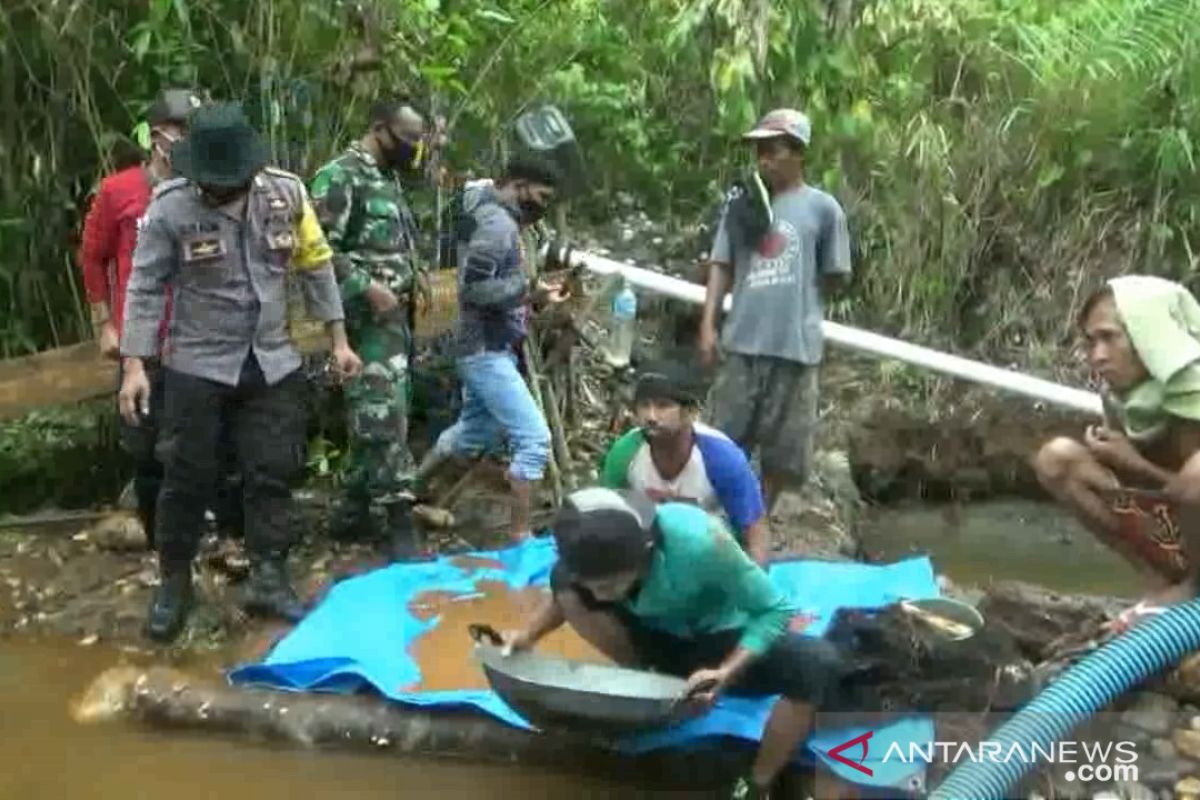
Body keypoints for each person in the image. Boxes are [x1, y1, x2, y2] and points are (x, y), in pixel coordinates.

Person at [119, 103, 361, 642]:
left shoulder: (287, 194)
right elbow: (144, 285)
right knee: (185, 477)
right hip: (197, 364)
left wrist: (338, 340)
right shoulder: (170, 208)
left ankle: (270, 576)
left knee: (272, 470)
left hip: (272, 359)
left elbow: (316, 265)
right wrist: (134, 366)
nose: (220, 189)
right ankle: (175, 582)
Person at [503, 487, 845, 799]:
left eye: (606, 586)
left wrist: (724, 672)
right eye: (590, 583)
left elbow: (774, 609)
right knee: (564, 586)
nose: (596, 594)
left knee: (816, 663)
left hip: (715, 639)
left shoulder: (702, 541)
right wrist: (528, 636)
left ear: (645, 554)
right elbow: (567, 592)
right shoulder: (590, 550)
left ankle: (758, 783)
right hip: (652, 638)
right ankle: (648, 686)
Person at [78, 87, 231, 547]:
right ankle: (159, 540)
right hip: (141, 345)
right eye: (180, 131)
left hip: (197, 339)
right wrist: (105, 323)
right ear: (157, 135)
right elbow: (92, 258)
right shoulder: (117, 190)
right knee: (145, 448)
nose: (187, 140)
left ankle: (210, 532)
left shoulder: (210, 188)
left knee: (203, 441)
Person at [698, 108, 852, 515]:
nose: (763, 159)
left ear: (797, 152)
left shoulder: (823, 209)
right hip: (743, 343)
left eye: (773, 149)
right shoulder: (743, 203)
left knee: (785, 451)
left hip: (795, 348)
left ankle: (758, 519)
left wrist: (801, 303)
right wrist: (708, 324)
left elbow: (835, 274)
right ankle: (721, 515)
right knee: (724, 439)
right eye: (759, 151)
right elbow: (722, 264)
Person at [1033, 276, 1200, 631]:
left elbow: (1191, 488)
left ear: (1149, 336)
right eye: (1091, 342)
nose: (1098, 356)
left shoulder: (1193, 388)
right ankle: (1159, 581)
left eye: (1110, 338)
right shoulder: (1126, 397)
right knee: (1057, 458)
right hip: (1179, 531)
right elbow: (1157, 492)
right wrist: (1120, 463)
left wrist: (1132, 462)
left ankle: (1192, 590)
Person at [416, 156, 564, 542]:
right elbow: (473, 288)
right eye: (541, 196)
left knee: (473, 429)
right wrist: (527, 290)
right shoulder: (497, 225)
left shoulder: (475, 201)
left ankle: (406, 491)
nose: (543, 205)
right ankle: (520, 535)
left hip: (472, 341)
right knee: (534, 440)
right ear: (519, 184)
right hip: (483, 346)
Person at [309, 98, 432, 547]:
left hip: (395, 320)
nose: (413, 149)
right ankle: (400, 522)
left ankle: (348, 513)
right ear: (380, 129)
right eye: (408, 139)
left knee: (377, 416)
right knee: (383, 415)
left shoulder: (387, 179)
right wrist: (366, 286)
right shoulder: (340, 175)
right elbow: (316, 251)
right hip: (361, 322)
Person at [600, 363, 770, 564]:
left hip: (713, 555)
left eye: (663, 406)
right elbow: (604, 514)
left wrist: (755, 586)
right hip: (651, 552)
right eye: (644, 405)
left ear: (689, 413)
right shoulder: (625, 453)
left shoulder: (722, 457)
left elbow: (754, 529)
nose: (651, 416)